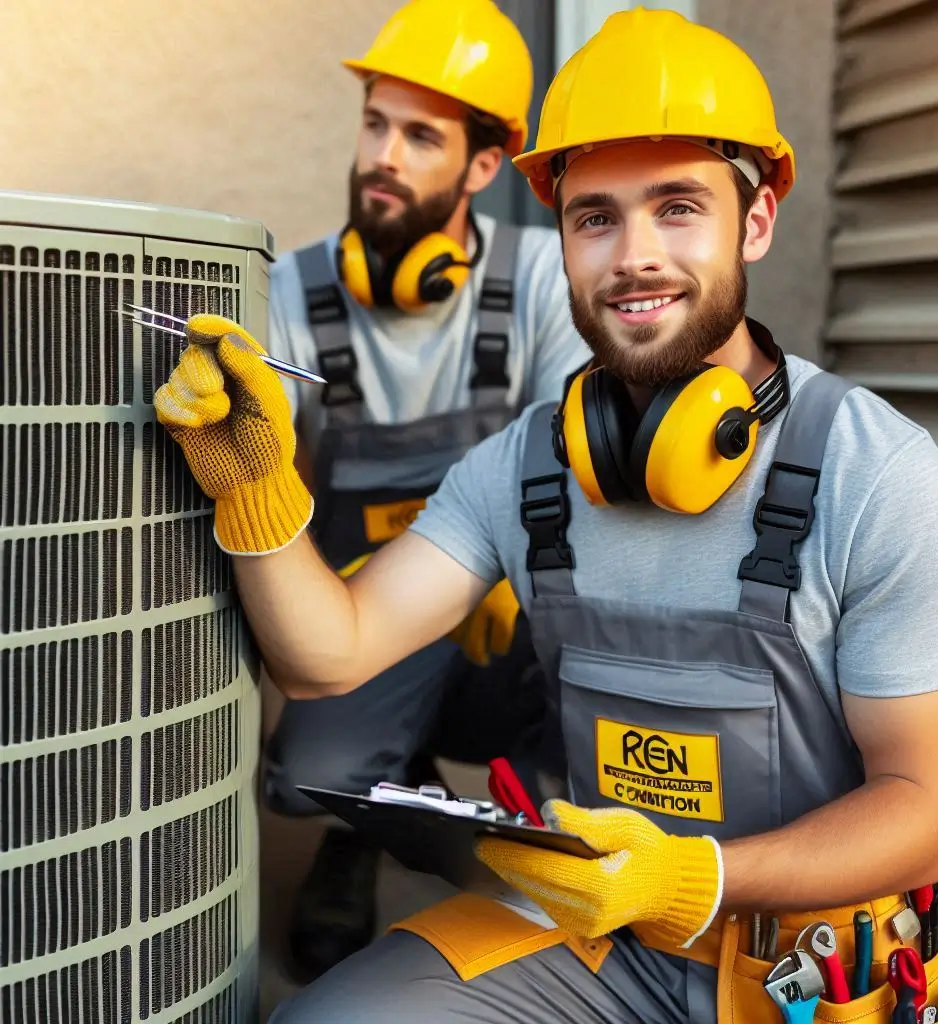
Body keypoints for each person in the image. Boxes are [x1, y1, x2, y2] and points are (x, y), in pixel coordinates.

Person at [155, 8, 938, 1023]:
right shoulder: (527, 467)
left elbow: (929, 814)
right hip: (597, 941)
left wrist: (688, 878)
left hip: (815, 973)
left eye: (677, 206)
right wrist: (253, 487)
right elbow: (325, 657)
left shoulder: (878, 476)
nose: (634, 255)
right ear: (563, 234)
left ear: (756, 218)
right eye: (596, 216)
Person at [259, 0, 590, 980]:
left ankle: (542, 874)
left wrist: (508, 572)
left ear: (483, 167)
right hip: (377, 620)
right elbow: (263, 455)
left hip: (509, 621)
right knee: (309, 769)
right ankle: (367, 819)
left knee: (605, 675)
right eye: (374, 122)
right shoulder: (292, 290)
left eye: (418, 135)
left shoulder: (540, 277)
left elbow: (578, 448)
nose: (382, 155)